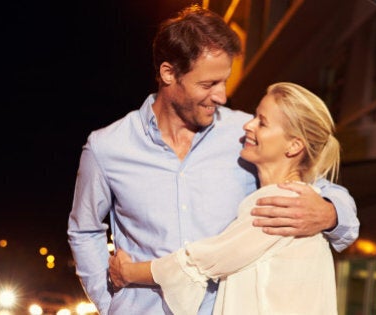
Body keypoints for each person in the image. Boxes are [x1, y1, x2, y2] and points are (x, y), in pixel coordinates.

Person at [67, 5, 359, 315]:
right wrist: (110, 303)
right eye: (208, 85)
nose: (221, 96)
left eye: (224, 81)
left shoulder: (246, 136)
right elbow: (84, 231)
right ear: (169, 74)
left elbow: (316, 184)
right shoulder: (108, 147)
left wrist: (330, 214)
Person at [108, 82, 343, 314]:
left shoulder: (283, 204)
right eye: (254, 116)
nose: (248, 125)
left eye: (262, 122)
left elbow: (198, 262)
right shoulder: (297, 199)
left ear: (293, 146)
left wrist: (126, 272)